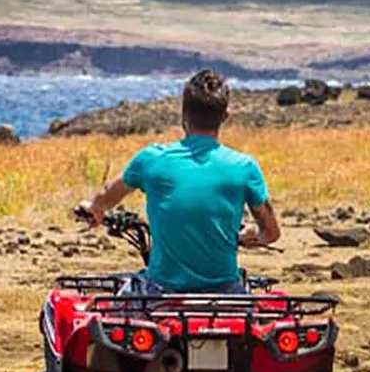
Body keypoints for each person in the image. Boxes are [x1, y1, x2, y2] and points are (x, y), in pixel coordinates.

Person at [75, 69, 281, 294]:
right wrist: (251, 235)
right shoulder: (244, 167)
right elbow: (271, 233)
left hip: (162, 290)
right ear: (224, 116)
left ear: (184, 115)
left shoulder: (151, 159)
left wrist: (94, 208)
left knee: (114, 300)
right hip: (225, 291)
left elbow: (107, 196)